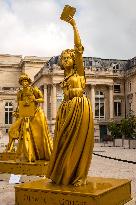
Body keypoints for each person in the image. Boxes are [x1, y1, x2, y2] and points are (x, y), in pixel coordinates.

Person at [46, 8, 94, 186]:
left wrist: (74, 25)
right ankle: (62, 173)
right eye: (63, 58)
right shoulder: (63, 77)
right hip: (66, 109)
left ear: (74, 60)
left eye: (69, 57)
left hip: (80, 107)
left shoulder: (79, 72)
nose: (66, 59)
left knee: (77, 142)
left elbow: (78, 49)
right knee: (63, 142)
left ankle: (77, 175)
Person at [6, 73, 53, 162]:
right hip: (25, 115)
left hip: (36, 114)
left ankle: (40, 154)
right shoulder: (20, 93)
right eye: (22, 81)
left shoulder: (34, 90)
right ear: (21, 83)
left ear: (28, 82)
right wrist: (16, 112)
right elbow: (19, 105)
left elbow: (42, 99)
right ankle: (28, 155)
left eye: (26, 81)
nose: (24, 83)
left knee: (38, 135)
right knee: (22, 133)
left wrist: (34, 100)